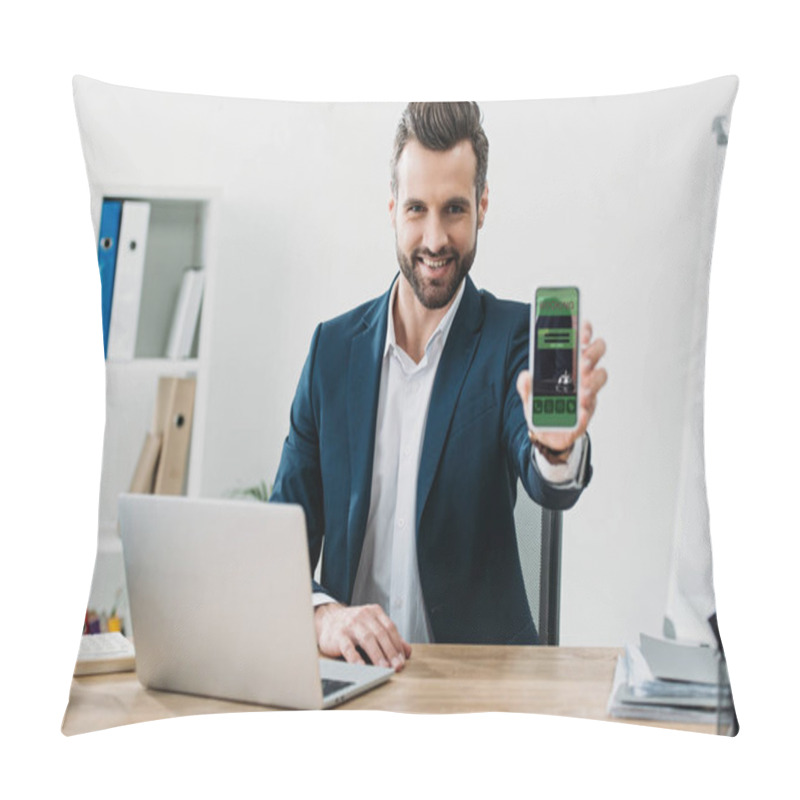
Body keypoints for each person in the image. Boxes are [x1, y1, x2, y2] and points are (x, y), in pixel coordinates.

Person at [271, 102, 607, 671]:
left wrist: (555, 448)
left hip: (480, 683)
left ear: (481, 207)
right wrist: (323, 616)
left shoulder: (514, 340)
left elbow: (550, 486)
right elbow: (280, 544)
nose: (434, 238)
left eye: (454, 209)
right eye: (416, 209)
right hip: (355, 679)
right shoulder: (332, 352)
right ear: (392, 210)